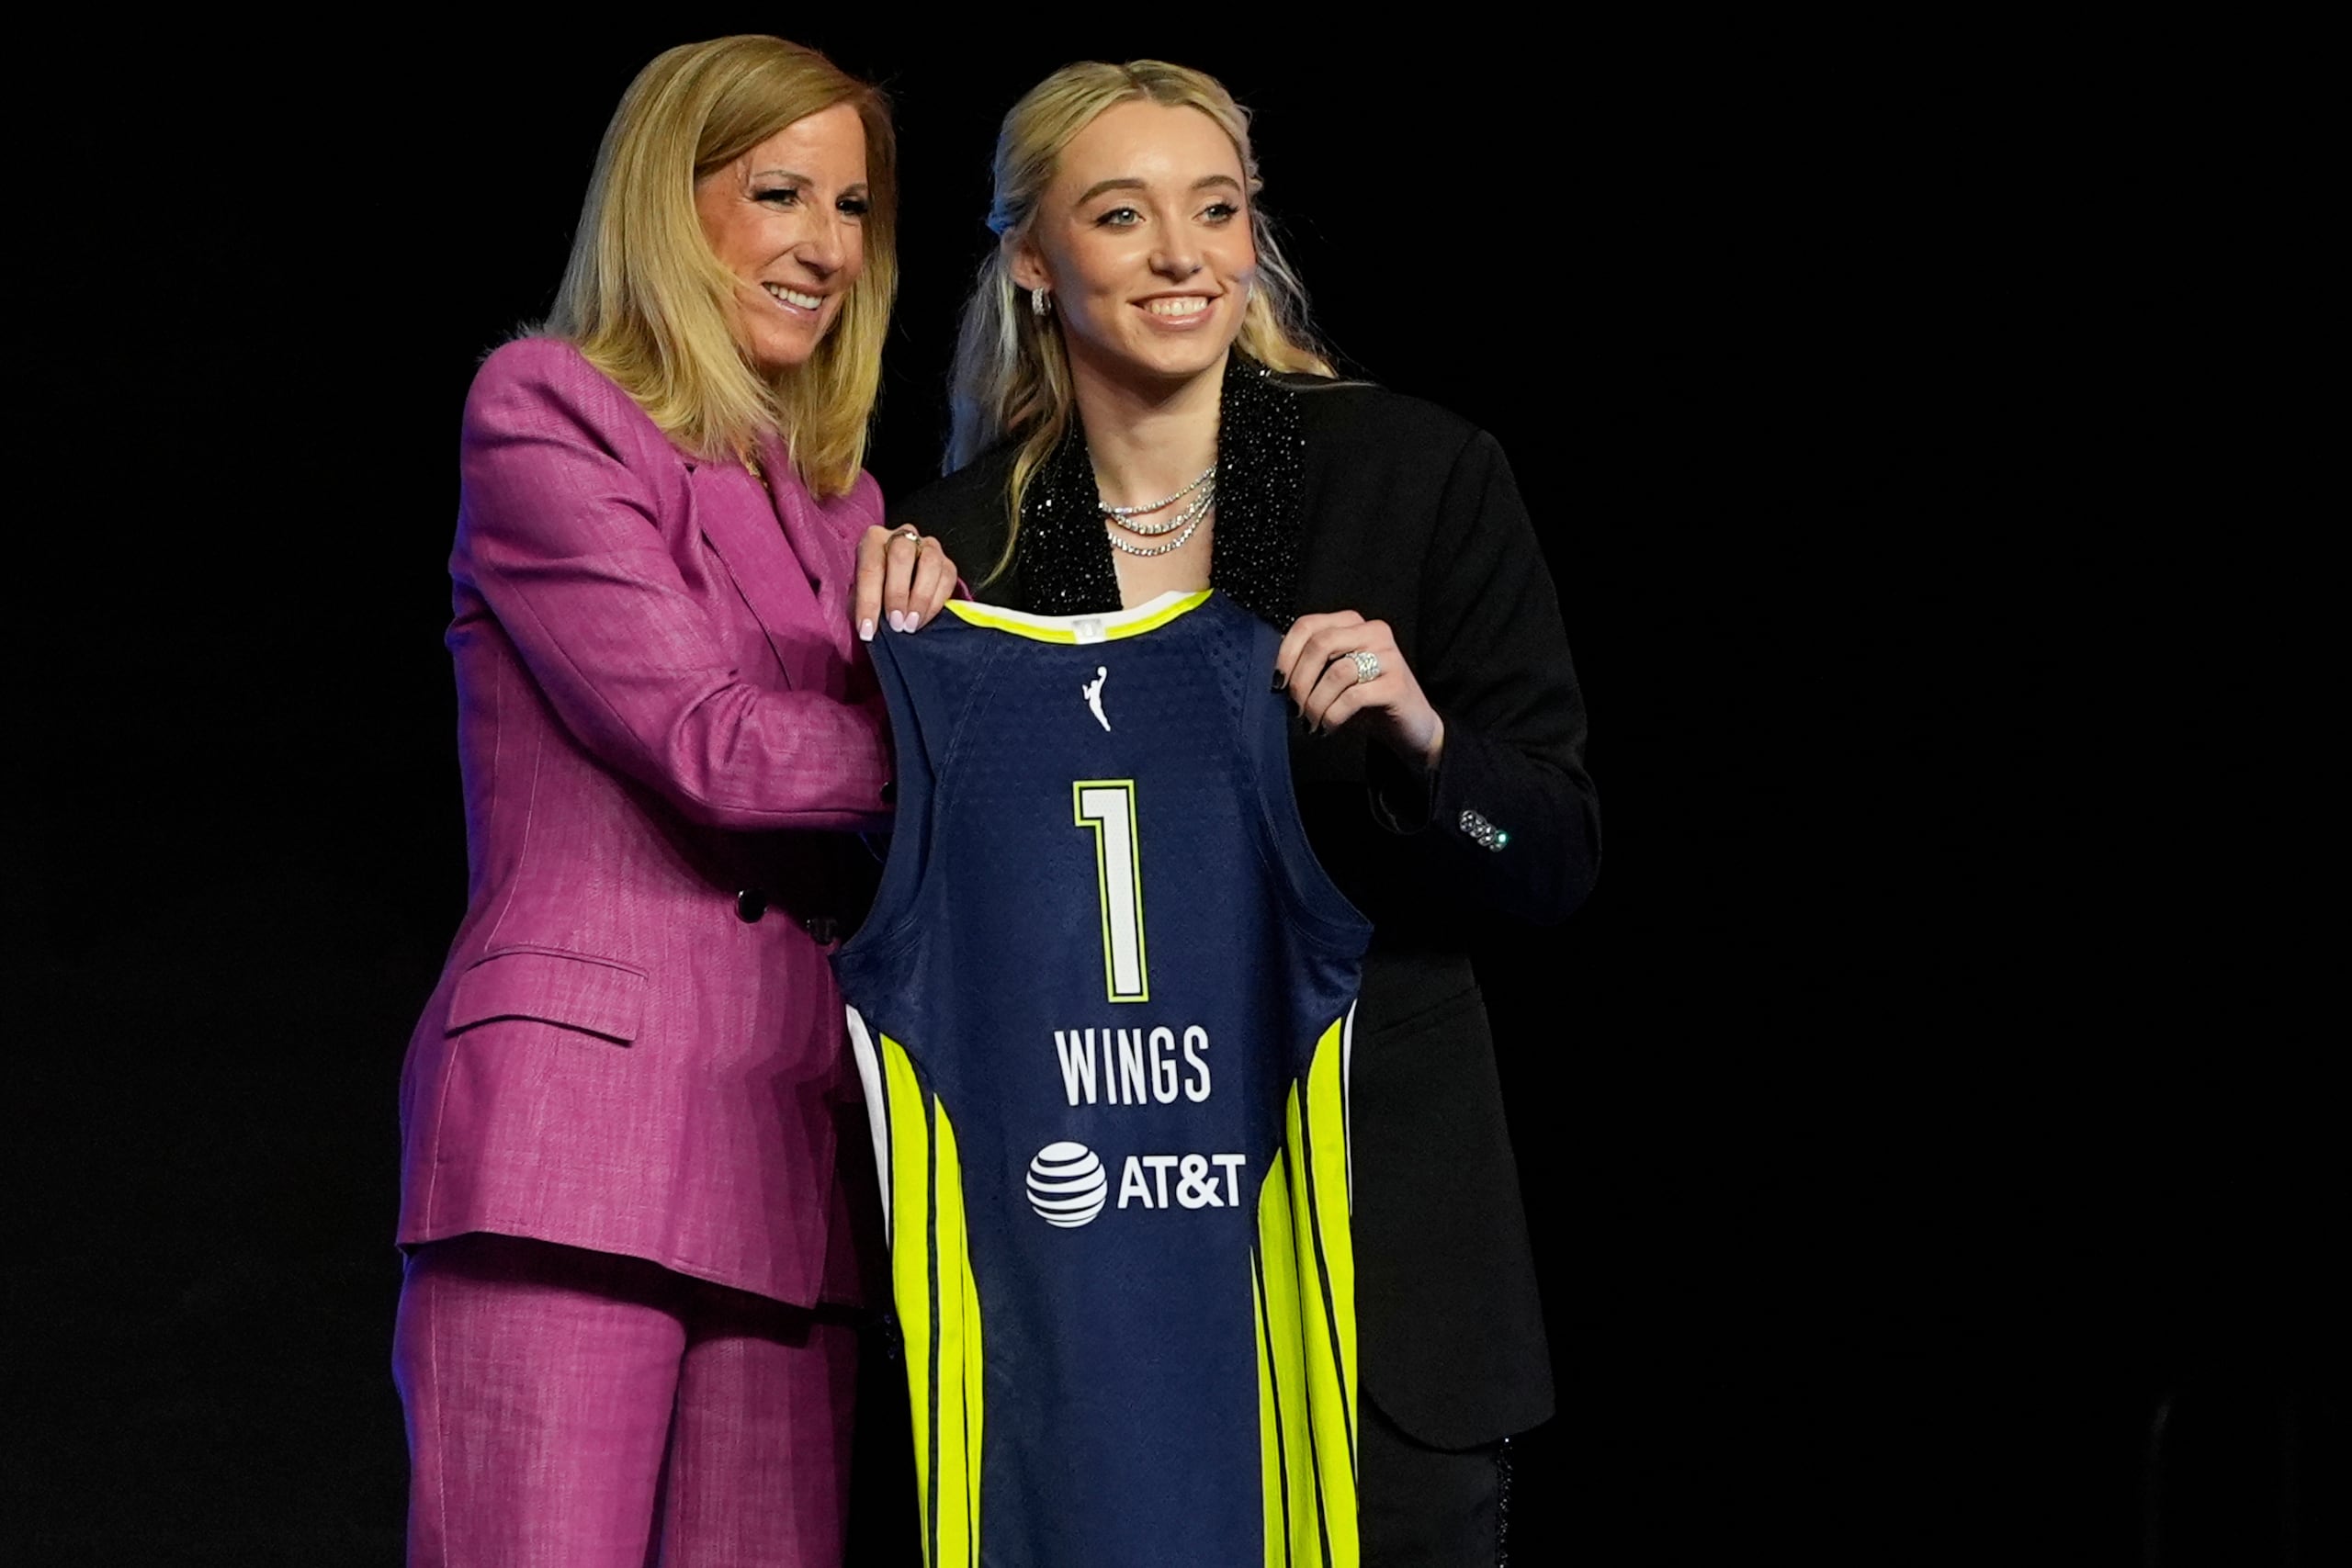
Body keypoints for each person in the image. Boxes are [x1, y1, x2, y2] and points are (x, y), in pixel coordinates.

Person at [891, 60, 1600, 1567]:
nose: (1180, 256)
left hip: (1379, 1281)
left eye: (1215, 211)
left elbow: (1550, 853)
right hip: (1097, 1302)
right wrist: (885, 643)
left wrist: (1426, 747)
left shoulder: (1409, 476)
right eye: (1123, 215)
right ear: (1031, 258)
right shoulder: (960, 547)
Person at [391, 36, 955, 1568]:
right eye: (779, 193)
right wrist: (974, 739)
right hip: (577, 1138)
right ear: (666, 202)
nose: (826, 246)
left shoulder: (849, 504)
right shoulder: (548, 407)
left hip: (793, 1150)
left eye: (852, 209)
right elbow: (708, 741)